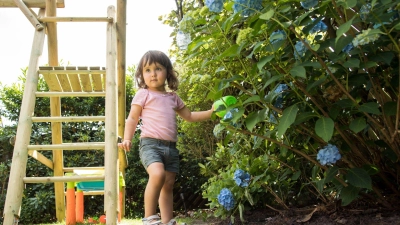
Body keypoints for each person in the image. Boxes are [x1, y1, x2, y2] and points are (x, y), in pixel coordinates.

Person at [118, 50, 213, 225]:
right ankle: (149, 218)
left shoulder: (172, 97)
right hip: (150, 144)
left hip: (171, 147)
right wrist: (127, 138)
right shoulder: (143, 94)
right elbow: (132, 118)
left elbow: (190, 116)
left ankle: (167, 221)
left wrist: (211, 113)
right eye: (147, 70)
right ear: (142, 75)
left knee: (168, 185)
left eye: (158, 68)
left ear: (168, 72)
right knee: (157, 174)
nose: (153, 74)